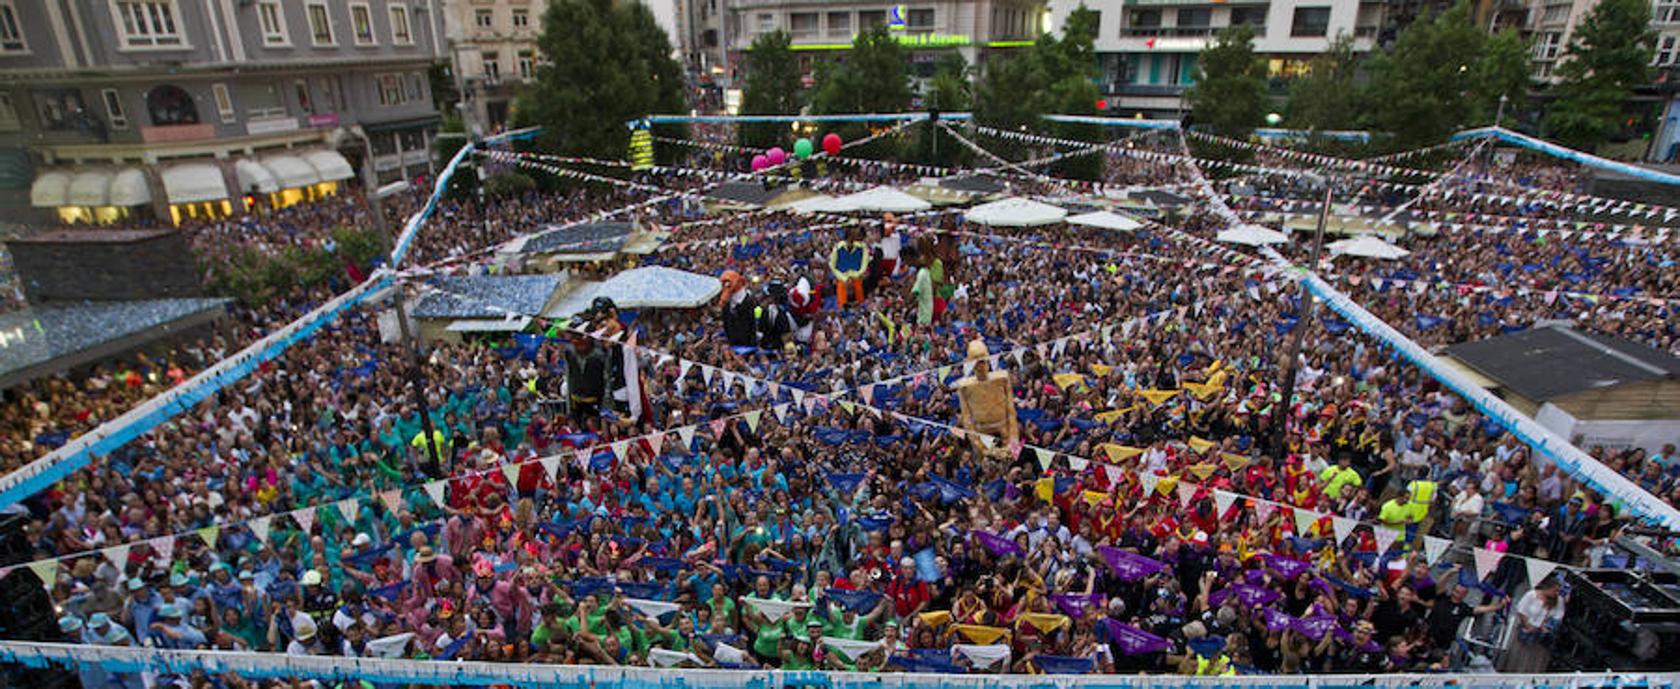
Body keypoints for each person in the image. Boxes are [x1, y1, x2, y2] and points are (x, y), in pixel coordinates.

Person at [1503, 576, 1565, 672]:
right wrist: (1528, 626)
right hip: (1525, 630)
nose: (1556, 594)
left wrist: (1546, 627)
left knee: (1533, 663)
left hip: (1540, 637)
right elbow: (1521, 611)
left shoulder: (1558, 600)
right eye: (1554, 591)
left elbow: (1558, 616)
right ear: (1547, 588)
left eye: (1558, 591)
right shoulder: (1531, 595)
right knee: (1517, 660)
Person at [828, 228, 870, 308]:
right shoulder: (838, 248)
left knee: (860, 298)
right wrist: (845, 278)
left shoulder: (862, 247)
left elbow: (864, 263)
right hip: (843, 277)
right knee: (841, 296)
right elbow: (833, 266)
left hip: (857, 277)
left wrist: (856, 275)